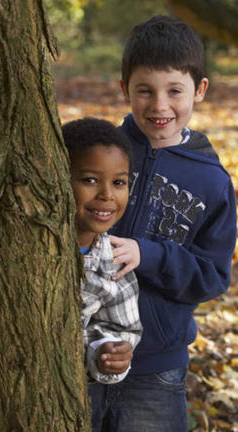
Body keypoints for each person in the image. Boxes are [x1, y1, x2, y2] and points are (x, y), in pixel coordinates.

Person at [90, 15, 237, 432]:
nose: (159, 106)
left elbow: (212, 274)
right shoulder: (100, 154)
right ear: (124, 87)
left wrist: (148, 254)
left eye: (174, 91)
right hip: (81, 358)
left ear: (198, 90)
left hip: (156, 371)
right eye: (145, 90)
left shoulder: (210, 180)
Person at [61, 117, 142, 387]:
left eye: (119, 182)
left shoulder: (115, 265)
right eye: (90, 180)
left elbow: (123, 330)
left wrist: (105, 351)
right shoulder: (24, 243)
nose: (107, 194)